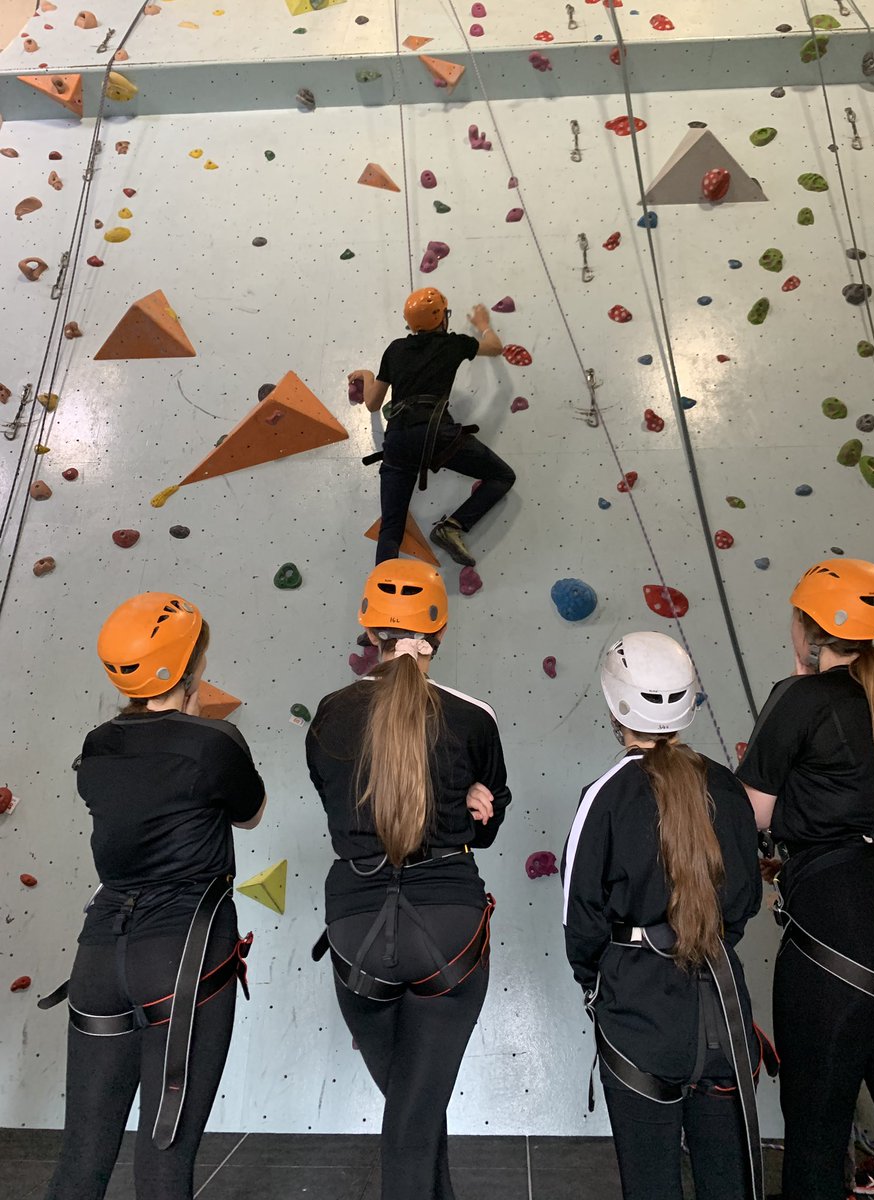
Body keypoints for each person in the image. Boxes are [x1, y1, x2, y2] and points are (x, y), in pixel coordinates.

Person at [42, 592, 266, 1200]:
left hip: (100, 953)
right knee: (164, 1164)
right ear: (189, 668)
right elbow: (249, 812)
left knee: (81, 1161)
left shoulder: (98, 744)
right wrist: (201, 718)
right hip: (183, 955)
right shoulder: (213, 743)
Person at [306, 558, 511, 1200]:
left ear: (370, 632)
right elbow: (484, 825)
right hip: (447, 926)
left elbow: (338, 809)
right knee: (414, 1115)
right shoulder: (473, 718)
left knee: (411, 1107)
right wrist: (482, 808)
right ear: (439, 629)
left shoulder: (329, 715)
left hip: (355, 926)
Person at [561, 632, 766, 1200]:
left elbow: (581, 922)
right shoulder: (727, 788)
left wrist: (599, 987)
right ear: (688, 703)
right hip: (723, 1014)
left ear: (612, 702)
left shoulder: (603, 796)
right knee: (728, 1186)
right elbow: (744, 902)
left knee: (650, 1187)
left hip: (639, 1018)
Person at [736, 558, 874, 1200]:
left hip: (836, 932)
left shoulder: (801, 696)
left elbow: (752, 813)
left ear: (807, 626)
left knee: (816, 1134)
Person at [349, 288, 516, 568]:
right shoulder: (453, 344)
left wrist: (367, 375)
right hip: (436, 434)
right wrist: (483, 325)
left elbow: (373, 404)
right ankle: (452, 526)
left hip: (398, 440)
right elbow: (495, 347)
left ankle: (380, 587)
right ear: (442, 318)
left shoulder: (395, 349)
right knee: (502, 476)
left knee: (391, 527)